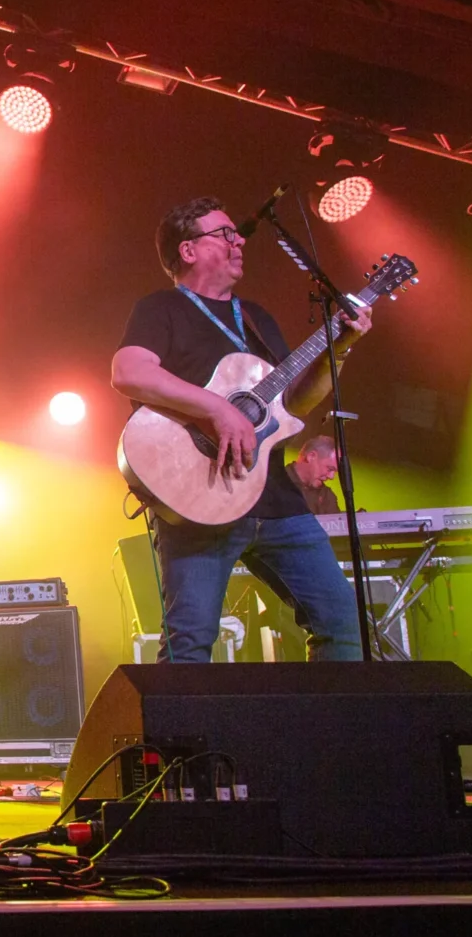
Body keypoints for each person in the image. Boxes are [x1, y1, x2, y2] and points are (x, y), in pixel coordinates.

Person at [110, 197, 370, 663]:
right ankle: (181, 739)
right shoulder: (162, 308)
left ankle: (326, 734)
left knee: (344, 629)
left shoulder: (256, 317)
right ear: (188, 250)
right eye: (224, 233)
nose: (238, 242)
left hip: (275, 500)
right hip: (199, 501)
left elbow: (295, 406)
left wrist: (344, 345)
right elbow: (129, 373)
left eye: (237, 233)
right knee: (190, 645)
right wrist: (217, 409)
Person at [287, 434, 343, 514]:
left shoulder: (327, 495)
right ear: (311, 456)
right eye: (330, 469)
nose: (331, 477)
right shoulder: (274, 485)